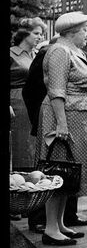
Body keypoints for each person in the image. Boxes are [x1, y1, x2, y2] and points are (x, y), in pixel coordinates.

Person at [34, 11, 87, 246]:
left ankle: (60, 223)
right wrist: (61, 123)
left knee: (67, 172)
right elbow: (57, 90)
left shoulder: (72, 51)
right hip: (64, 118)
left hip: (75, 116)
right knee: (58, 171)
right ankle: (51, 228)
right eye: (85, 29)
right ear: (72, 31)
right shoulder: (60, 51)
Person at [9, 17, 47, 173]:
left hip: (35, 102)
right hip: (18, 101)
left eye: (42, 34)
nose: (40, 37)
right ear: (24, 34)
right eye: (36, 33)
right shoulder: (11, 53)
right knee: (20, 142)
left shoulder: (37, 55)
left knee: (33, 143)